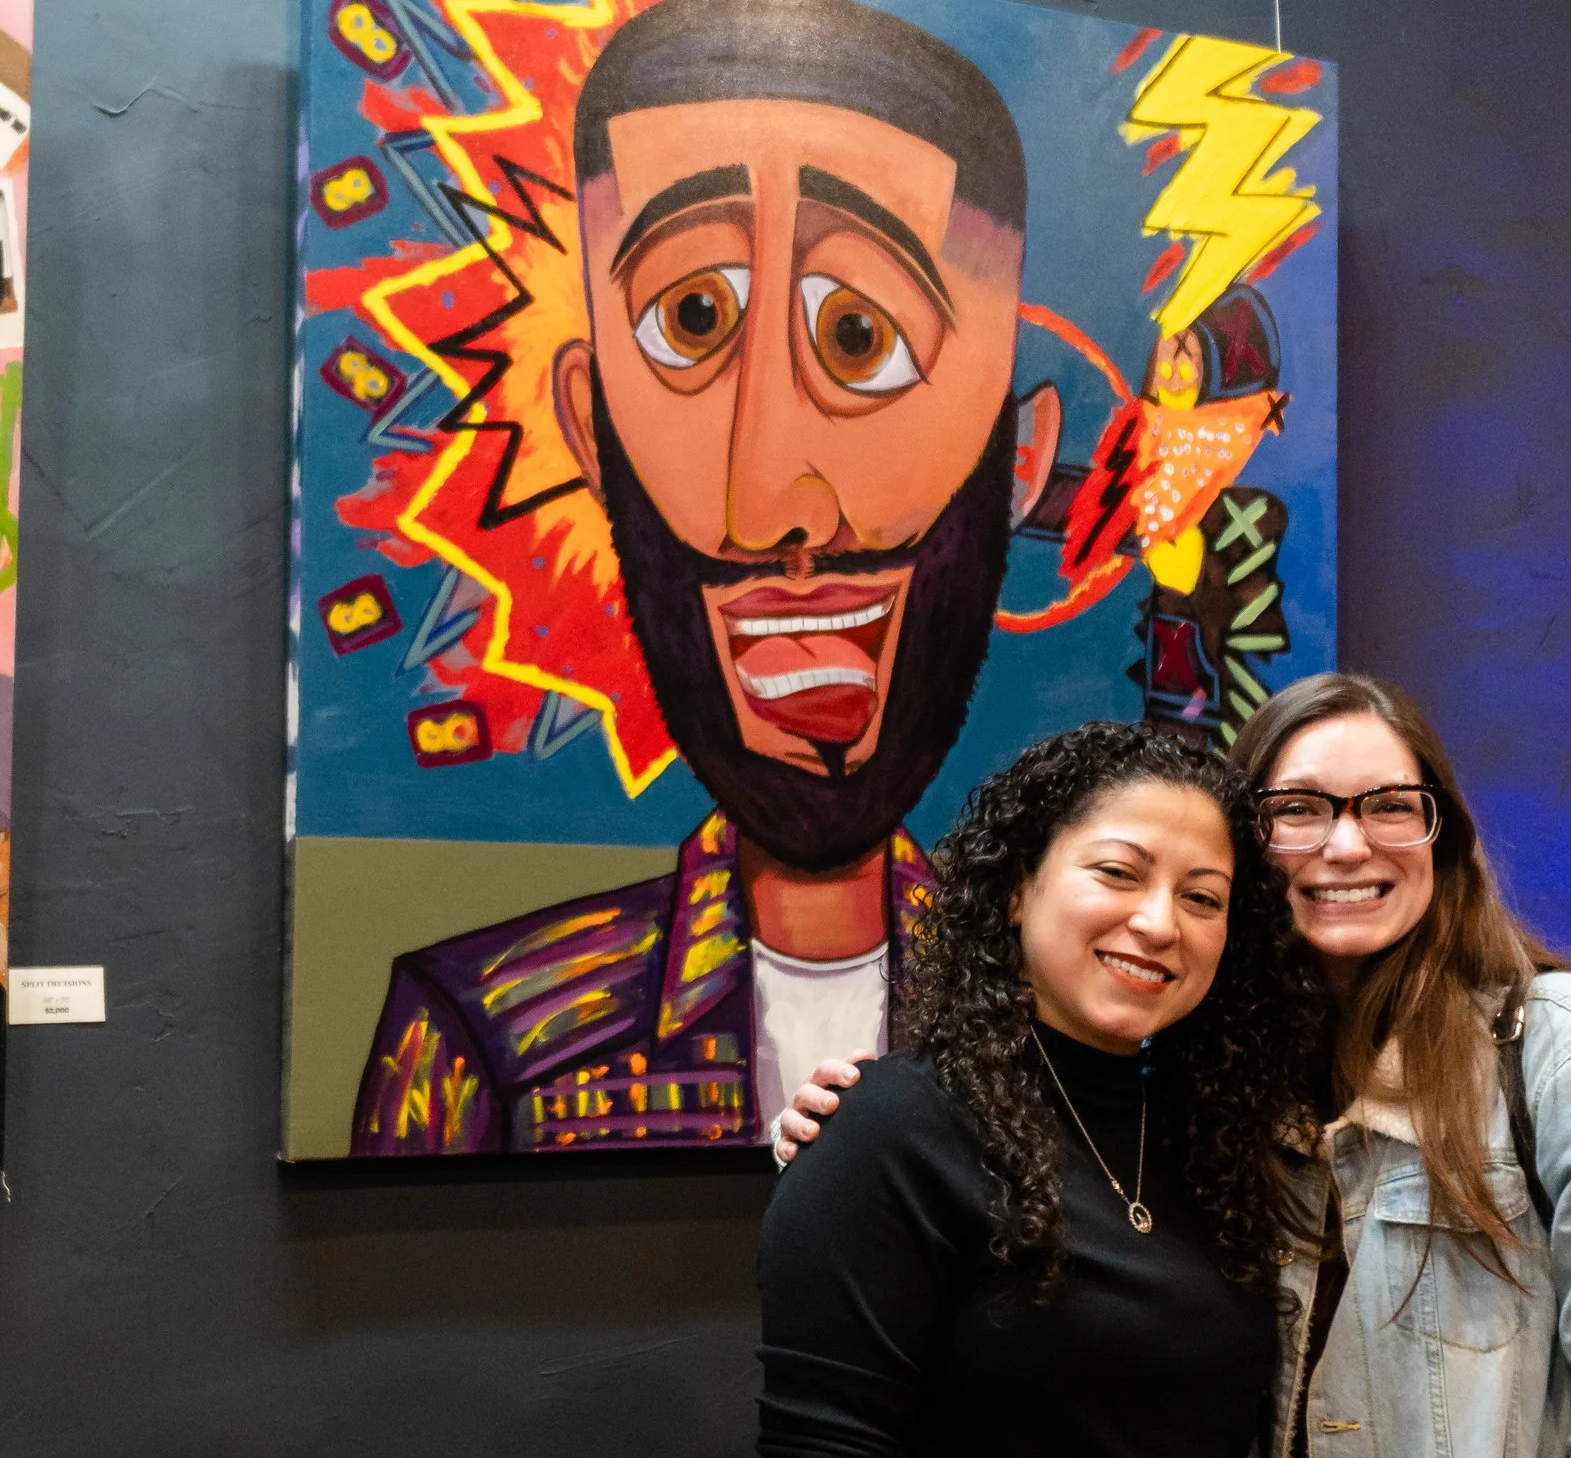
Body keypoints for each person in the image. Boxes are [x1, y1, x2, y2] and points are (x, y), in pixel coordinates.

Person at [776, 675, 1571, 1458]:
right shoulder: (1216, 1103)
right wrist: (858, 1124)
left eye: (1391, 806)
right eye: (1298, 808)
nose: (1346, 843)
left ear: (1443, 837)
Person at [346, 0, 1064, 1157]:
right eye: (690, 320)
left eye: (857, 337)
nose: (768, 503)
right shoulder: (480, 1042)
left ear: (1019, 454)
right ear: (588, 425)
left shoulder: (1066, 1032)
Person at [758, 721, 1325, 1458]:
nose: (1159, 921)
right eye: (1118, 872)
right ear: (1020, 883)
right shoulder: (895, 1128)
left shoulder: (1215, 1150)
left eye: (1202, 897)